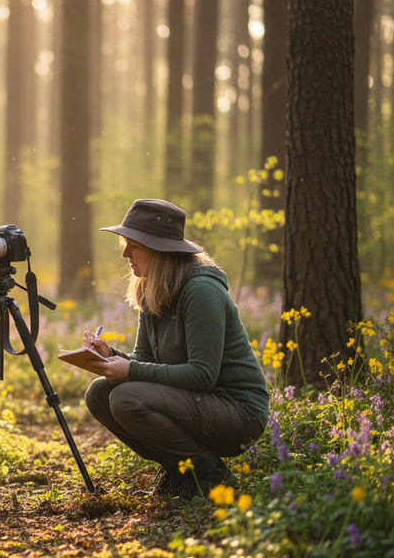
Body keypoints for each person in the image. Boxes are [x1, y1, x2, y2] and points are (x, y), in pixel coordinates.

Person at [82, 198, 269, 499]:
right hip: (198, 403)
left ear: (159, 249)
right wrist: (112, 356)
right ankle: (181, 473)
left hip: (238, 412)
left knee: (126, 399)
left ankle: (211, 474)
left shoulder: (201, 291)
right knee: (99, 394)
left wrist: (129, 370)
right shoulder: (152, 287)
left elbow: (202, 375)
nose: (125, 254)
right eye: (125, 244)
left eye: (134, 245)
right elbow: (144, 361)